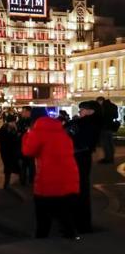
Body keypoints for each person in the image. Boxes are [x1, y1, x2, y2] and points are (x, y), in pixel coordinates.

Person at [22, 108, 80, 240]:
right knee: (65, 215)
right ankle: (72, 238)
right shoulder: (61, 131)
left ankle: (42, 240)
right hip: (68, 179)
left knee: (43, 217)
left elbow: (28, 151)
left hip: (48, 181)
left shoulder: (37, 131)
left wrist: (27, 134)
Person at [66, 100, 102, 234]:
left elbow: (78, 139)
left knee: (79, 189)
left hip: (79, 158)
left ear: (91, 111)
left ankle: (81, 223)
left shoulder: (87, 124)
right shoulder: (87, 123)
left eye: (82, 109)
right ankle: (81, 223)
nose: (80, 111)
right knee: (80, 189)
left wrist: (71, 131)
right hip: (82, 157)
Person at [0, 114, 21, 189]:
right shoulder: (7, 129)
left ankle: (7, 183)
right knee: (9, 167)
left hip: (6, 151)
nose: (14, 123)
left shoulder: (5, 128)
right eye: (13, 122)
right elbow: (11, 140)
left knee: (8, 167)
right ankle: (7, 184)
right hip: (8, 151)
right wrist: (16, 134)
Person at [97, 96, 119, 164]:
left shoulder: (102, 107)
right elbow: (116, 116)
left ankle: (107, 159)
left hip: (104, 127)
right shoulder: (114, 106)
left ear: (100, 101)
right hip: (111, 127)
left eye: (98, 102)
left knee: (105, 143)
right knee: (110, 143)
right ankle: (111, 158)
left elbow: (100, 117)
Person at [17, 106, 35, 185]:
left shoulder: (33, 122)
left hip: (30, 148)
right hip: (22, 148)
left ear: (29, 112)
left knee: (31, 165)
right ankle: (22, 180)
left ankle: (31, 180)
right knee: (23, 165)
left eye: (24, 111)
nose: (22, 113)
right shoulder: (20, 121)